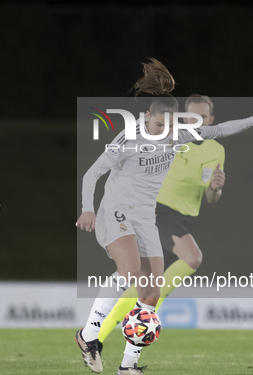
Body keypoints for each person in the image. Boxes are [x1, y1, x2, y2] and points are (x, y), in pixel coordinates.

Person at [75, 59, 253, 375]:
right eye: (159, 125)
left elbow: (218, 130)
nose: (164, 131)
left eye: (169, 125)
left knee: (151, 292)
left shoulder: (178, 133)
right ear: (148, 117)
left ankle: (127, 366)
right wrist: (87, 208)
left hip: (144, 217)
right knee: (128, 271)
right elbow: (92, 173)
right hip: (116, 210)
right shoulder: (129, 138)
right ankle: (89, 336)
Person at [97, 95, 226, 342]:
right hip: (158, 212)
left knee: (141, 285)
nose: (195, 122)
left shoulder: (216, 149)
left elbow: (211, 197)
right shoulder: (168, 138)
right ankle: (147, 312)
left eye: (201, 118)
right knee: (193, 257)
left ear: (211, 120)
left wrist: (216, 188)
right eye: (190, 117)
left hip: (186, 219)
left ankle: (95, 336)